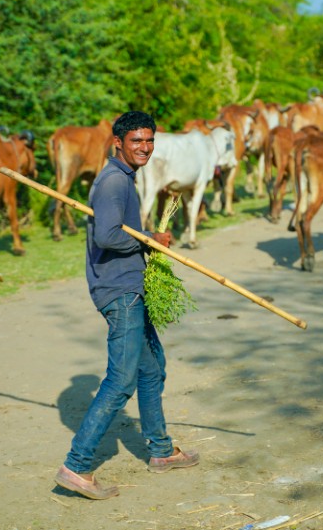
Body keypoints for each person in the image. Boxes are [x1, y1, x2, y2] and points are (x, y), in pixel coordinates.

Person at [55, 111, 198, 500]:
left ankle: (161, 450)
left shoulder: (122, 178)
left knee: (151, 370)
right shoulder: (114, 182)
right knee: (121, 380)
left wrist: (147, 241)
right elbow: (107, 236)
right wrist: (149, 238)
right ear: (118, 142)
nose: (145, 147)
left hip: (130, 286)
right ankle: (77, 465)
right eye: (137, 140)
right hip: (119, 291)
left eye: (149, 140)